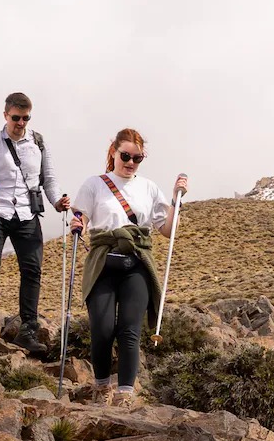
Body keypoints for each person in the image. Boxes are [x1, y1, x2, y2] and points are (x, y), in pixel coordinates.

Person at [70, 128, 189, 407]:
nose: (131, 163)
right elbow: (81, 216)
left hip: (137, 263)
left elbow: (167, 230)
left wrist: (176, 199)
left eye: (137, 158)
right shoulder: (94, 184)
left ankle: (124, 394)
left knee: (129, 330)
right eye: (125, 156)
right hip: (103, 261)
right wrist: (78, 224)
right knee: (101, 328)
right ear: (114, 151)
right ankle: (101, 387)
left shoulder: (149, 188)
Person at [0, 92, 71, 355]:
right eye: (16, 118)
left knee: (32, 270)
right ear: (5, 115)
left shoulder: (38, 143)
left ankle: (28, 331)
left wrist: (57, 201)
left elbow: (49, 179)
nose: (20, 123)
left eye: (25, 118)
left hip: (28, 214)